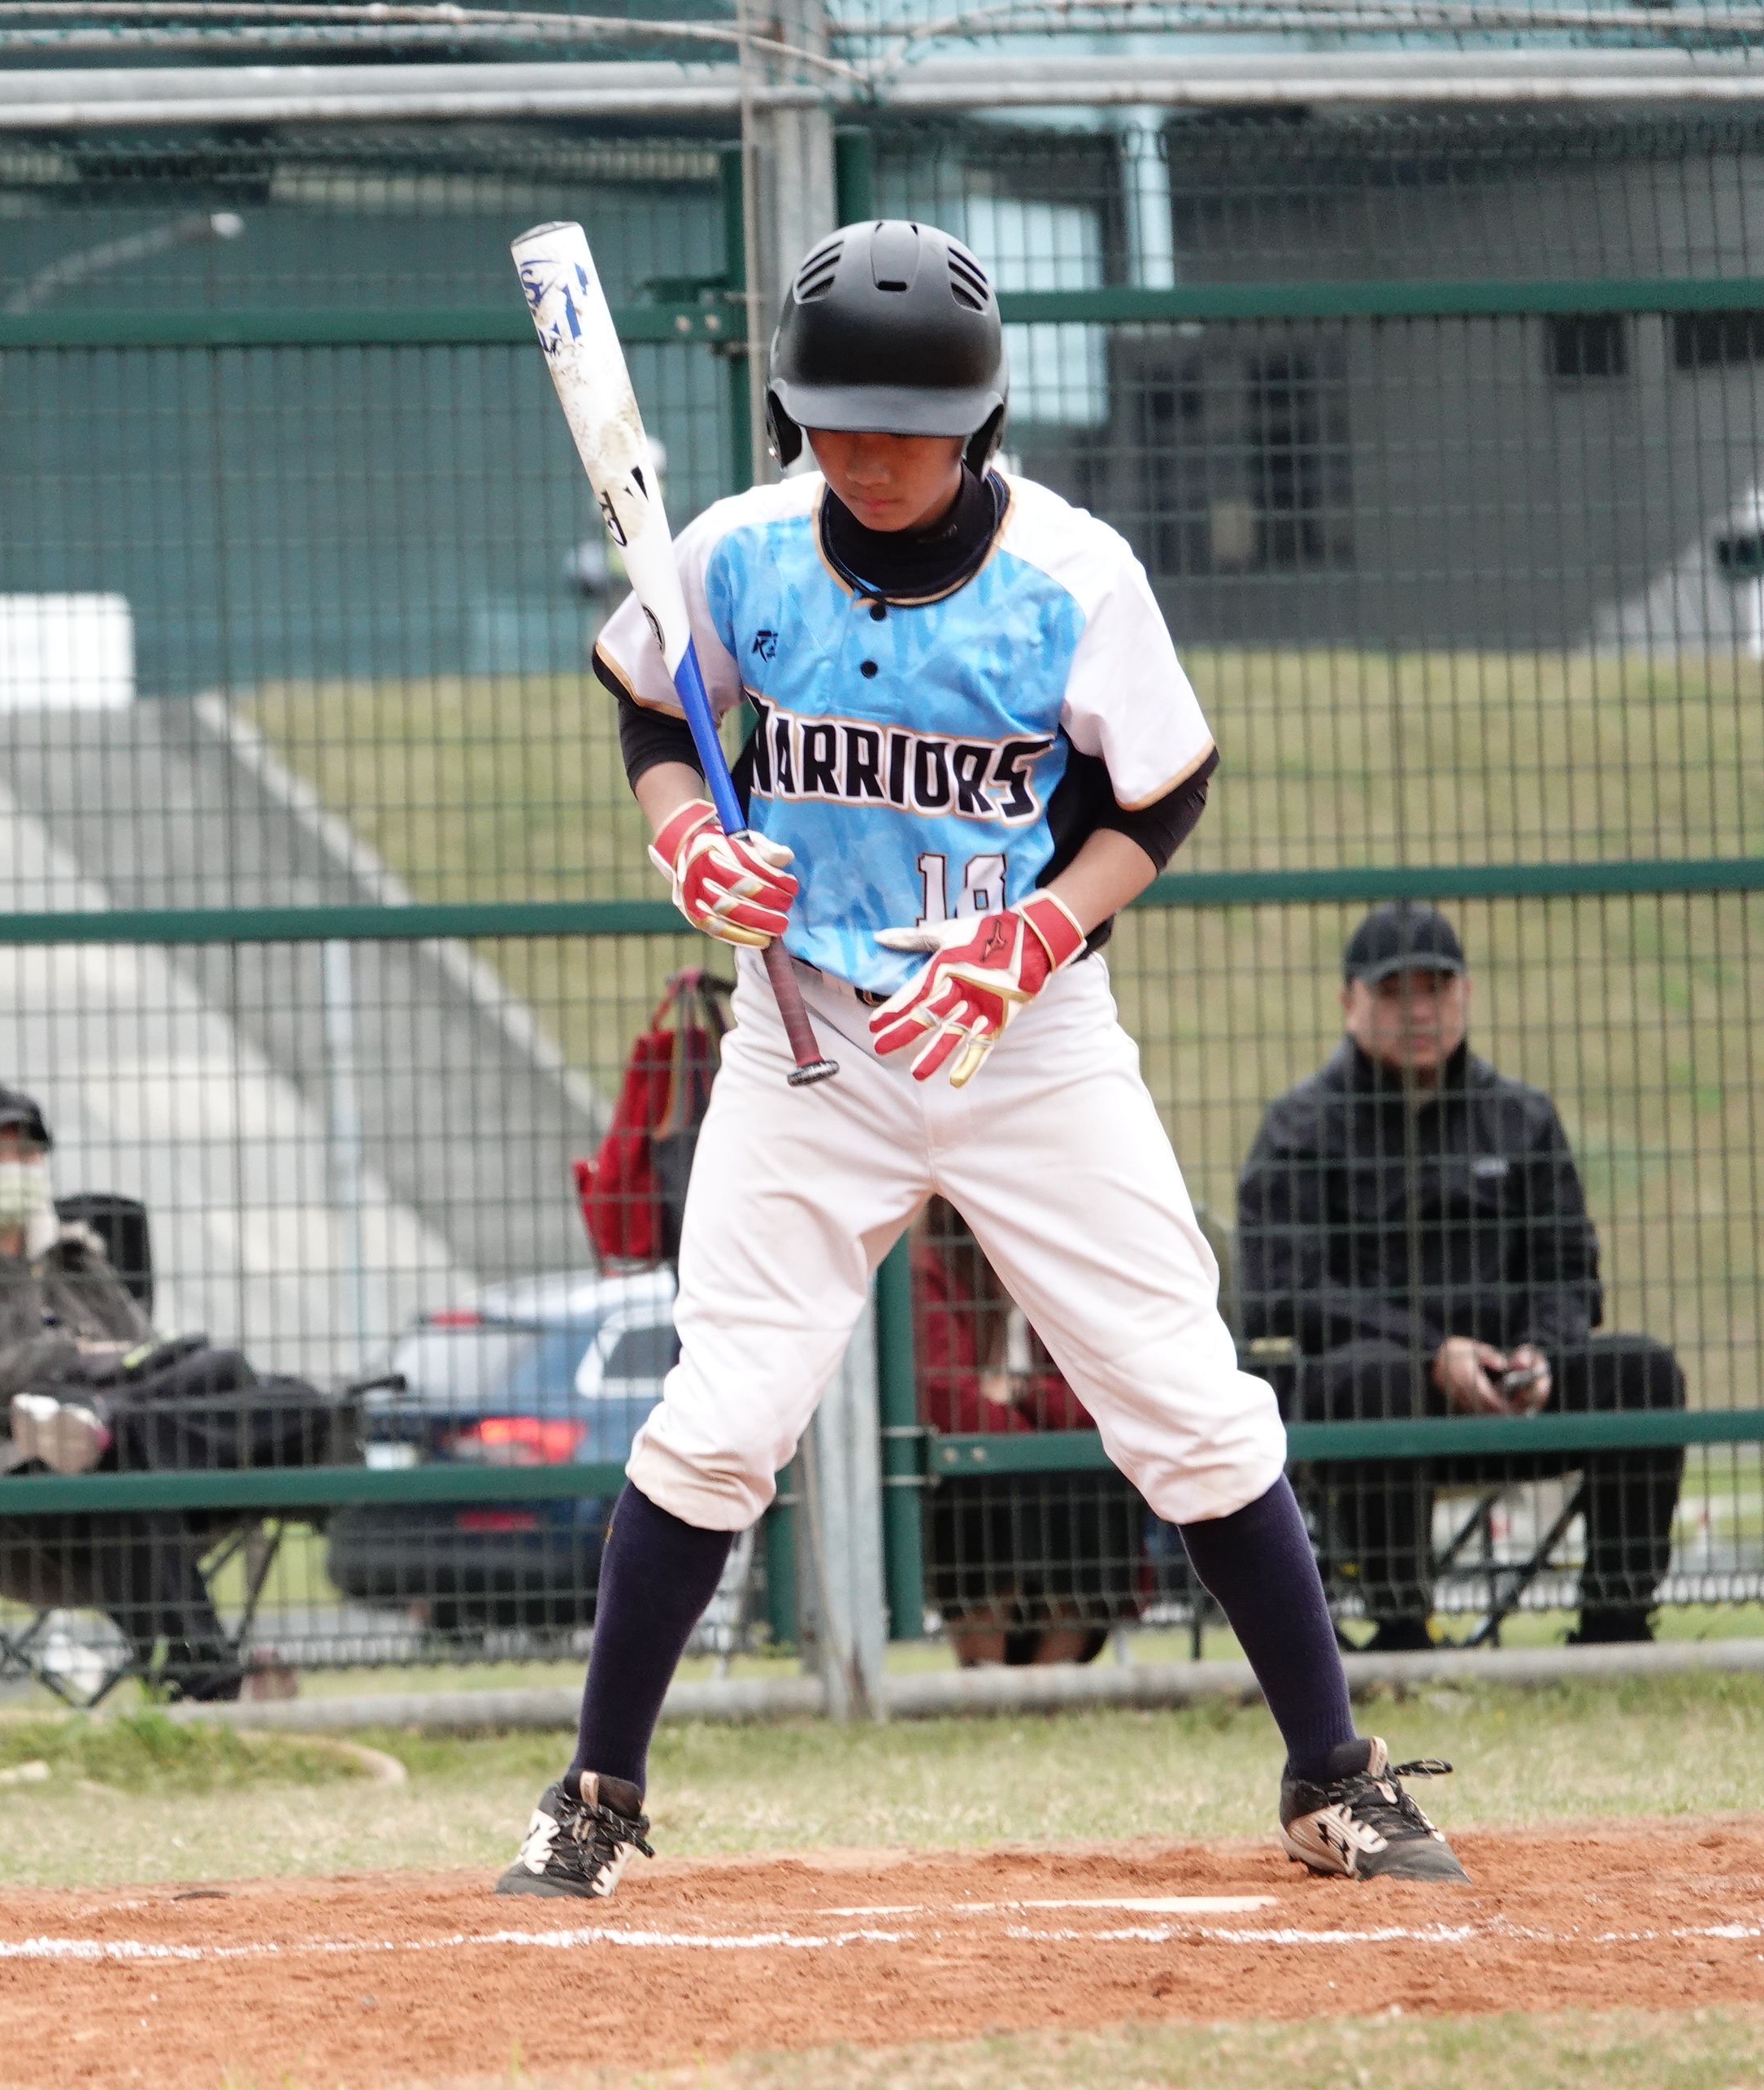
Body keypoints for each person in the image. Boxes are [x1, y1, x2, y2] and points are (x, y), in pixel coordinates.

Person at [495, 219, 1462, 1902]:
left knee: (1183, 1397)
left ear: (980, 424)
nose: (868, 457)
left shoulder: (1072, 576)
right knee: (721, 1414)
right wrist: (687, 842)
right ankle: (595, 1794)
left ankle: (1331, 1776)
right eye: (835, 423)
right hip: (807, 1033)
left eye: (908, 429)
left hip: (1023, 1040)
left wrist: (1036, 932)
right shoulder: (736, 550)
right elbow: (658, 708)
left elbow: (1161, 791)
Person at [1236, 902, 1685, 1653]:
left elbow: (1568, 1266)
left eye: (1436, 989)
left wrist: (1540, 1353)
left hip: (1515, 1401)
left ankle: (1616, 1624)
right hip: (1372, 1411)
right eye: (1394, 993)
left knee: (1645, 1371)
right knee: (1374, 1377)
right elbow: (1282, 1293)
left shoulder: (1522, 1118)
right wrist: (1431, 1352)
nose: (1419, 1011)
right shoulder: (1297, 1130)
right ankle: (1404, 1629)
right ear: (1350, 1004)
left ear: (1466, 995)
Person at [0, 1079, 267, 1704]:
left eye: (26, 1153)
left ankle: (317, 1434)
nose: (12, 1169)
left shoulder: (75, 1257)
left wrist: (121, 1371)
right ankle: (201, 1680)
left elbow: (144, 1351)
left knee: (222, 1373)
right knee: (126, 1459)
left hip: (126, 1431)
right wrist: (60, 1362)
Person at [913, 1197, 1144, 1668]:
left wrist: (1022, 1393)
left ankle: (1051, 1677)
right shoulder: (930, 1270)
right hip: (968, 1469)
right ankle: (987, 1676)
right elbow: (946, 1402)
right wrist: (1037, 1427)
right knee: (986, 1485)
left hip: (1062, 1459)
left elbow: (1108, 1398)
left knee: (1095, 1483)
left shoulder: (1075, 1273)